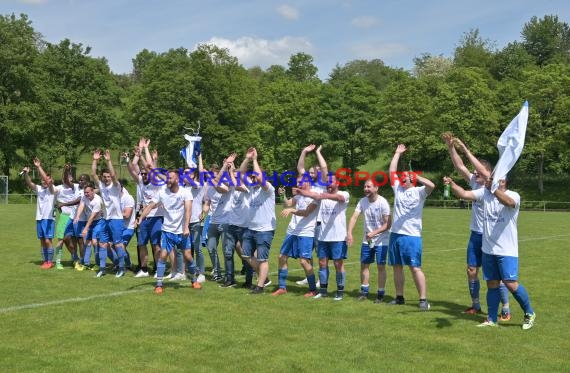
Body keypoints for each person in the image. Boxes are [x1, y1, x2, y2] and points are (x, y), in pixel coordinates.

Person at [444, 176, 536, 329]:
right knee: (492, 284)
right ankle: (492, 319)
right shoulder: (484, 193)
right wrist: (452, 184)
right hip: (488, 250)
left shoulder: (513, 195)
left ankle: (529, 312)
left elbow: (509, 203)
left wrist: (493, 189)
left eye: (496, 179)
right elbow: (464, 194)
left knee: (510, 283)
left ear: (504, 182)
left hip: (507, 249)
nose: (490, 181)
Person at [442, 133, 511, 319]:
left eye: (477, 172)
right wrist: (450, 147)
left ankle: (505, 307)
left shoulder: (492, 187)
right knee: (471, 270)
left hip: (492, 236)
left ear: (486, 173)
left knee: (498, 274)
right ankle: (475, 305)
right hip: (476, 235)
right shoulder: (474, 182)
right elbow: (460, 166)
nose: (474, 174)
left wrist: (463, 148)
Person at [138, 169, 201, 294]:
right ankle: (159, 284)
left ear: (177, 180)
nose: (167, 180)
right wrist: (140, 218)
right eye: (167, 177)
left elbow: (188, 210)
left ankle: (194, 280)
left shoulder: (185, 192)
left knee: (188, 256)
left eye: (170, 178)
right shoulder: (162, 192)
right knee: (163, 256)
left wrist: (186, 227)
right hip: (167, 231)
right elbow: (150, 205)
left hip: (182, 231)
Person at [388, 144, 434, 310]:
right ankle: (399, 297)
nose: (402, 178)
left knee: (415, 267)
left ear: (412, 179)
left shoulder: (419, 192)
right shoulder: (398, 189)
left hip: (412, 236)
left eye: (406, 177)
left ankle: (423, 300)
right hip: (395, 234)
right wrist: (397, 153)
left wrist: (417, 176)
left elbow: (432, 186)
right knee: (397, 267)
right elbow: (392, 171)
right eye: (402, 177)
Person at [297, 173, 349, 301]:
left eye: (331, 182)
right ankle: (323, 291)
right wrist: (302, 192)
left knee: (338, 264)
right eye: (327, 182)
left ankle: (340, 291)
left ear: (337, 183)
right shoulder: (321, 196)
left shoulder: (344, 193)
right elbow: (315, 195)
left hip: (338, 237)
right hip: (323, 236)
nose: (328, 184)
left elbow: (340, 198)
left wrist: (324, 195)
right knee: (322, 263)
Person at [271, 175, 319, 297]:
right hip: (292, 231)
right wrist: (282, 195)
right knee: (281, 257)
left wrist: (292, 210)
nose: (297, 185)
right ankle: (282, 288)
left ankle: (313, 290)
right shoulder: (299, 196)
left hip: (306, 232)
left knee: (304, 261)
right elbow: (287, 204)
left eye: (299, 182)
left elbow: (307, 213)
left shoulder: (315, 197)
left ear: (307, 182)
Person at [238, 147, 276, 294]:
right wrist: (247, 158)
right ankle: (264, 277)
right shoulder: (251, 189)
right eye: (252, 177)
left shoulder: (268, 189)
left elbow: (260, 178)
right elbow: (240, 174)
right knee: (246, 254)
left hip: (265, 229)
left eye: (254, 177)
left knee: (262, 259)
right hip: (251, 228)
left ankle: (260, 287)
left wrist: (255, 160)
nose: (253, 179)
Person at [347, 179, 391, 303]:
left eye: (369, 187)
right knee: (364, 265)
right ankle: (364, 291)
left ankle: (380, 294)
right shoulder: (362, 201)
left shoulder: (383, 203)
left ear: (376, 188)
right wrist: (349, 232)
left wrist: (374, 233)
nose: (366, 189)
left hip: (382, 241)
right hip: (367, 240)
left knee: (381, 266)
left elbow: (388, 224)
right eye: (365, 186)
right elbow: (354, 217)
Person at [127, 139, 164, 278]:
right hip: (143, 216)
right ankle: (143, 269)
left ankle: (157, 269)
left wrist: (144, 151)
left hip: (156, 216)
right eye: (141, 174)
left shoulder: (157, 182)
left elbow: (150, 167)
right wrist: (132, 157)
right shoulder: (141, 181)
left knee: (156, 244)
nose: (143, 175)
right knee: (141, 243)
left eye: (145, 173)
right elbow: (132, 169)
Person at [295, 144, 328, 287]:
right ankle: (310, 277)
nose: (310, 174)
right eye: (310, 172)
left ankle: (322, 280)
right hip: (307, 224)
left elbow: (325, 169)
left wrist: (318, 153)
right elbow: (300, 168)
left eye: (313, 172)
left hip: (319, 224)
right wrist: (304, 151)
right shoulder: (307, 183)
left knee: (320, 254)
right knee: (307, 254)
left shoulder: (322, 185)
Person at [91, 149, 127, 278]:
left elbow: (113, 175)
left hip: (116, 219)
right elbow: (93, 174)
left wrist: (108, 161)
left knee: (117, 243)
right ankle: (102, 268)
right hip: (104, 219)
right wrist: (95, 160)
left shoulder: (116, 186)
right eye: (104, 177)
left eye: (108, 177)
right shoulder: (101, 186)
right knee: (102, 243)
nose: (106, 178)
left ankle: (122, 268)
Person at [22, 158, 58, 269]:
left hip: (49, 218)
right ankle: (45, 261)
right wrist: (26, 174)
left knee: (48, 240)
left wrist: (38, 167)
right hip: (39, 218)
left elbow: (48, 182)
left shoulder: (53, 189)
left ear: (51, 180)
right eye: (42, 179)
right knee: (42, 241)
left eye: (46, 179)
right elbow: (29, 183)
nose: (44, 181)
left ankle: (50, 262)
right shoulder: (39, 189)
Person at [53, 164, 81, 269]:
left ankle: (75, 259)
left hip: (76, 218)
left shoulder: (77, 186)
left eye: (69, 176)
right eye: (65, 176)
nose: (66, 178)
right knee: (62, 239)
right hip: (64, 217)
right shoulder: (59, 188)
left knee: (75, 240)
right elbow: (53, 197)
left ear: (72, 178)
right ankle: (58, 261)